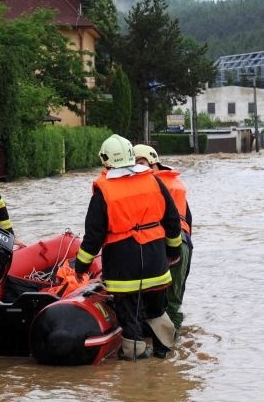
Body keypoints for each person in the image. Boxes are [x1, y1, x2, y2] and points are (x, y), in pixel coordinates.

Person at [73, 134, 183, 360]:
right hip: (155, 260)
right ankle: (166, 354)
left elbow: (94, 236)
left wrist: (81, 266)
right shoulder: (154, 181)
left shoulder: (104, 190)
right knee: (156, 310)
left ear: (105, 159)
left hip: (124, 263)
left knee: (129, 314)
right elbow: (172, 221)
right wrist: (173, 252)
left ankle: (135, 361)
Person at [133, 144, 193, 334]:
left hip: (168, 244)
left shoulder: (152, 186)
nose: (137, 168)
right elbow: (188, 218)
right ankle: (172, 352)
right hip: (182, 242)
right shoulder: (175, 183)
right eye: (134, 164)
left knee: (167, 302)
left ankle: (168, 350)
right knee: (170, 298)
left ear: (153, 163)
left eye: (141, 163)